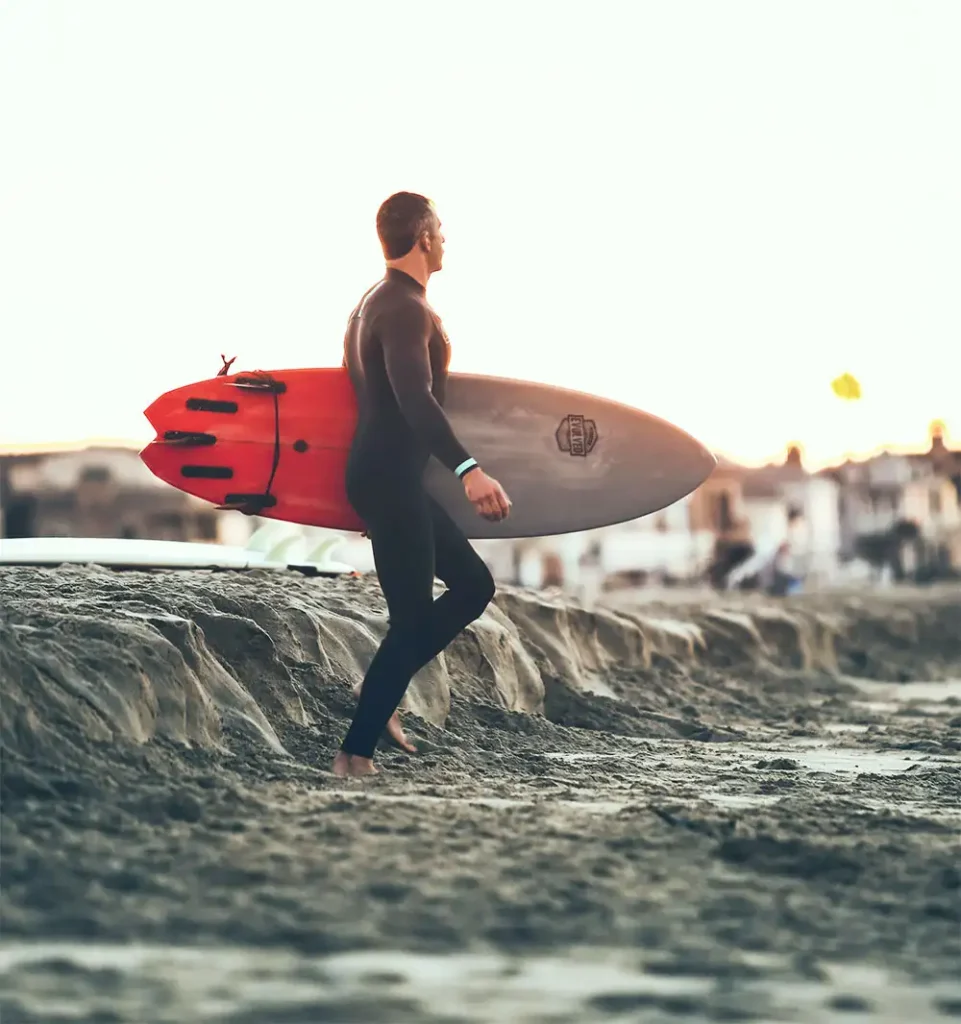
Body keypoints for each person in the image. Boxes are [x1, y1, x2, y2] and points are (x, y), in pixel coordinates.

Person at [333, 192, 512, 778]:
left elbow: (366, 398)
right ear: (422, 237)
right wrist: (469, 469)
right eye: (440, 229)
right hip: (388, 479)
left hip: (384, 477)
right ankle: (354, 756)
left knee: (472, 586)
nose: (445, 240)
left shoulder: (370, 305)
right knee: (413, 622)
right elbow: (414, 399)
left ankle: (379, 693)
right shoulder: (406, 309)